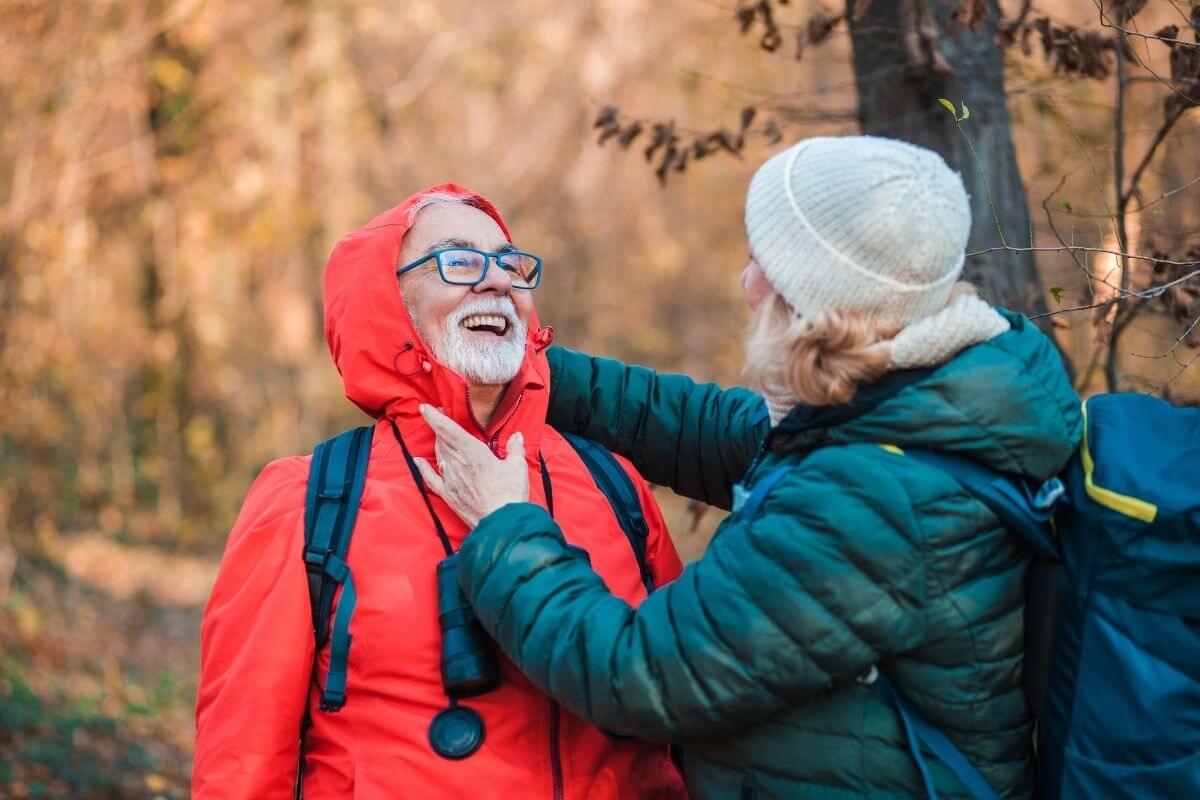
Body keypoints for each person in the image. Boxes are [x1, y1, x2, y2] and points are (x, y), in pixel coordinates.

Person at [418, 138, 1083, 799]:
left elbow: (643, 675)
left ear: (812, 302)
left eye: (763, 263)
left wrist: (506, 527)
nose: (746, 283)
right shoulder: (922, 399)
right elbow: (715, 430)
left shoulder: (870, 502)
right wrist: (529, 372)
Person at [193, 184, 688, 799]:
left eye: (510, 262)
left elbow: (689, 709)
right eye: (459, 261)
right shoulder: (309, 500)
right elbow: (241, 767)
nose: (496, 281)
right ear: (389, 300)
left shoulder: (614, 484)